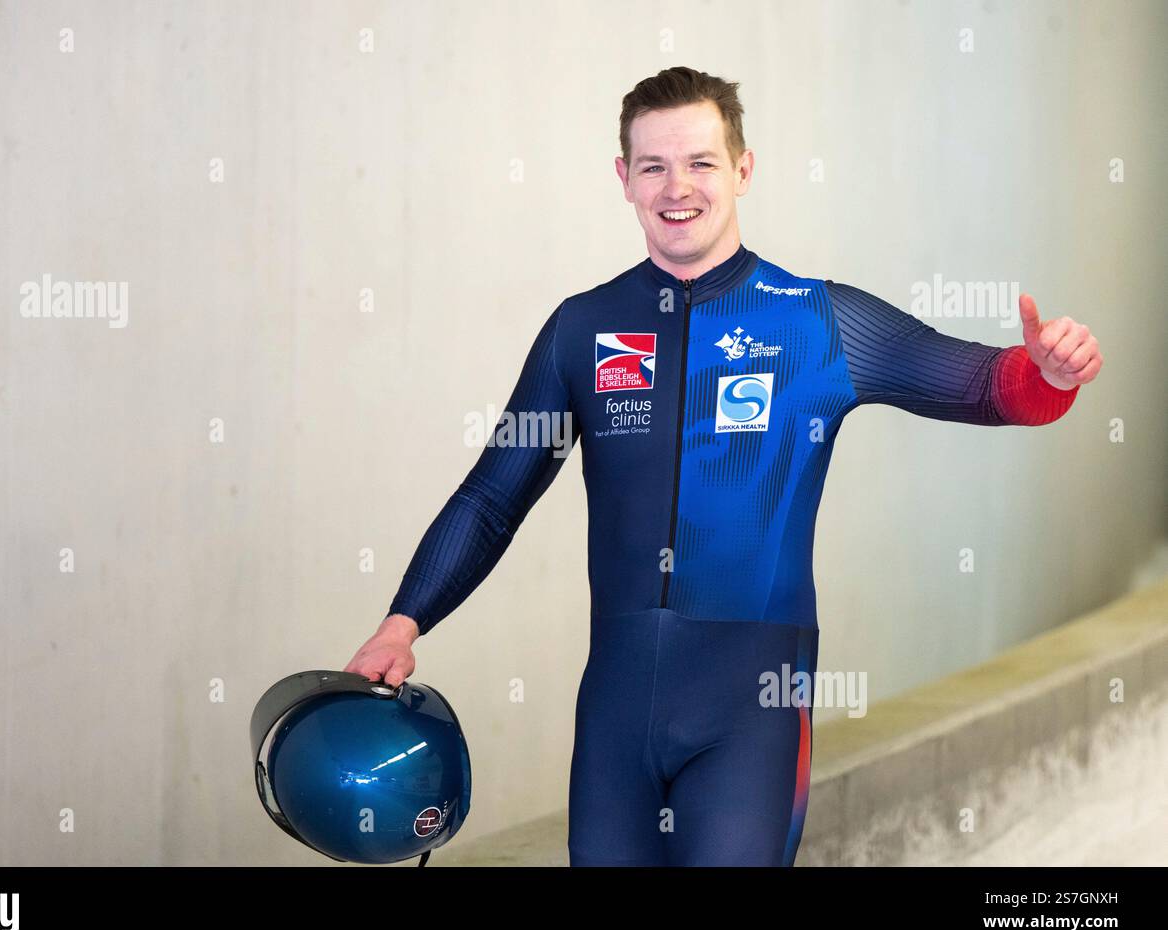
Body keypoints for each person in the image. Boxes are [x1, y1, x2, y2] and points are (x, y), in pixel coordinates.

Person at [343, 66, 1103, 866]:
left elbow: (981, 383)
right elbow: (492, 499)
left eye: (702, 162)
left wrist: (1045, 374)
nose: (679, 187)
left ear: (743, 169)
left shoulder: (818, 321)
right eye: (654, 166)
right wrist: (405, 620)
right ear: (624, 180)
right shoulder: (583, 328)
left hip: (753, 707)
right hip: (616, 711)